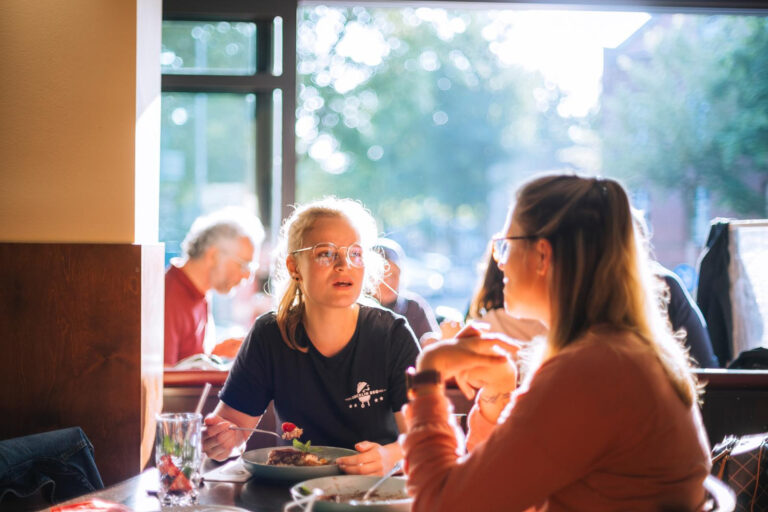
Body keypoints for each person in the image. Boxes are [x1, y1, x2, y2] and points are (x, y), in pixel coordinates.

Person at [402, 174, 711, 510]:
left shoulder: (592, 370)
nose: (499, 262)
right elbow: (502, 488)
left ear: (542, 256)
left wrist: (429, 376)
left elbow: (441, 504)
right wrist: (499, 392)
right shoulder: (619, 352)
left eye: (506, 245)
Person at [202, 197, 420, 476]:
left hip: (374, 493)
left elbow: (423, 437)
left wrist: (390, 456)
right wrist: (221, 441)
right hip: (293, 497)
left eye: (355, 253)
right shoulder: (270, 334)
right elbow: (231, 432)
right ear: (294, 267)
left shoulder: (392, 334)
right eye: (326, 253)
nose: (344, 264)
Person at [164, 207, 265, 366]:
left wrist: (216, 353)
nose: (247, 276)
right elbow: (163, 379)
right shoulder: (169, 298)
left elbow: (186, 361)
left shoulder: (201, 293)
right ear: (212, 256)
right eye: (243, 265)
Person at [373, 237, 440, 344]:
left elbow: (432, 342)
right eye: (382, 276)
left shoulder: (414, 307)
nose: (389, 283)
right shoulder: (360, 309)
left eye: (394, 274)